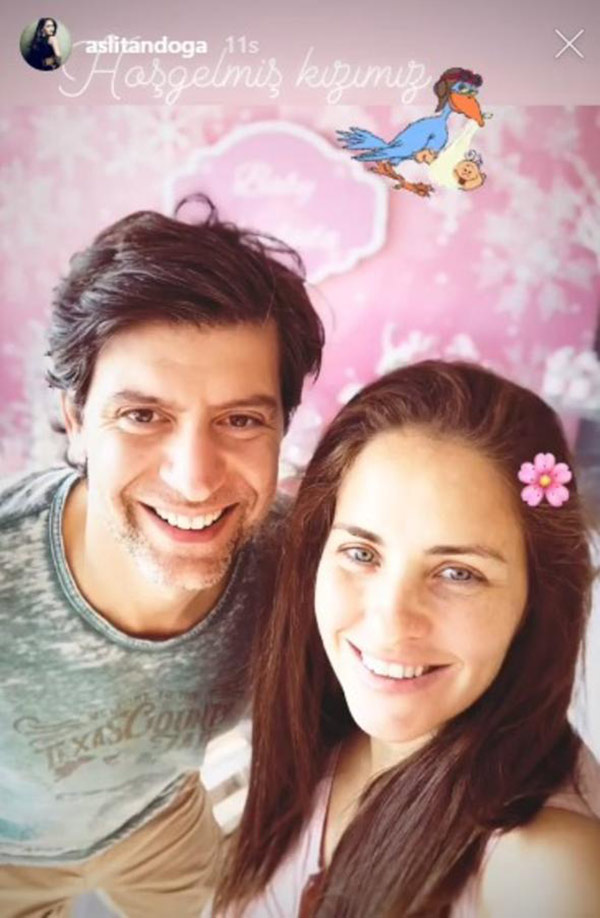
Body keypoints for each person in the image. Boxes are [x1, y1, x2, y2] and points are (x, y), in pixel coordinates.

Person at [0, 200, 324, 917]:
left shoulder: (298, 565)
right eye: (143, 416)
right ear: (77, 420)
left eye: (240, 420)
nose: (195, 480)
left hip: (159, 819)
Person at [215, 360, 600, 917]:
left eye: (458, 573)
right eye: (361, 553)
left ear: (537, 601)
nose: (390, 623)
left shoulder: (545, 873)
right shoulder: (320, 734)